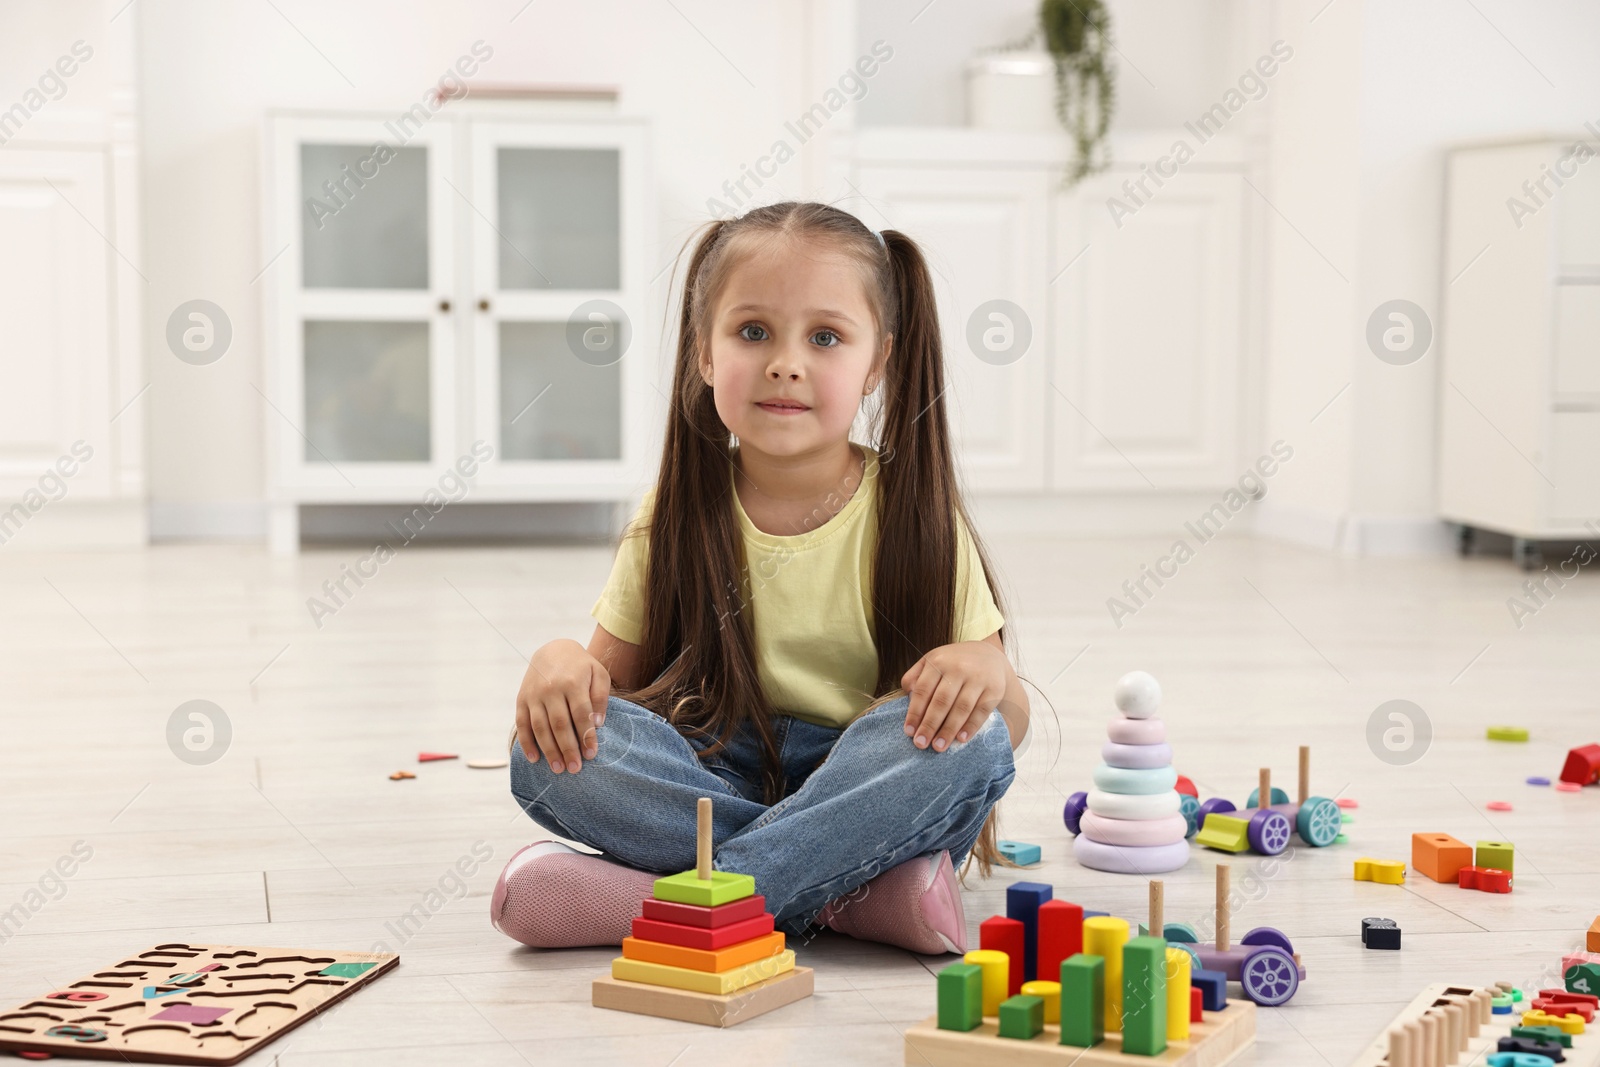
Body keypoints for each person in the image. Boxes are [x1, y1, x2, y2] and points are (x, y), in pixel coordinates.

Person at [491, 201, 1034, 955]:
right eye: (753, 332)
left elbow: (1007, 723)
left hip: (866, 779)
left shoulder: (915, 510)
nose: (786, 361)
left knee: (971, 746)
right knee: (543, 753)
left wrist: (984, 669)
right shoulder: (675, 510)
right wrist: (558, 665)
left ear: (878, 361)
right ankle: (848, 895)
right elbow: (602, 697)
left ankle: (681, 902)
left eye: (825, 337)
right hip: (714, 773)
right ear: (704, 354)